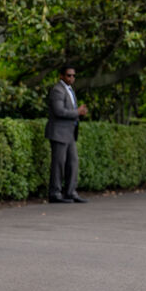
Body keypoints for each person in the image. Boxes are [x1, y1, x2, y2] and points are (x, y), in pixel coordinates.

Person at [45, 64, 88, 204]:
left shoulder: (69, 90)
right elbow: (59, 111)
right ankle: (55, 193)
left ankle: (70, 192)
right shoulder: (57, 90)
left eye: (74, 75)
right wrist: (78, 112)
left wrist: (79, 113)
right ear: (61, 76)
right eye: (69, 75)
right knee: (59, 164)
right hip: (59, 133)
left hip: (69, 133)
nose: (72, 78)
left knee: (72, 163)